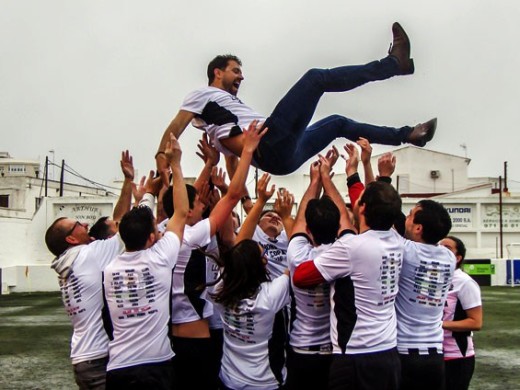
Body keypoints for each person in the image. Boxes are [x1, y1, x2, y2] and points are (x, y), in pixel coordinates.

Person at [157, 22, 437, 176]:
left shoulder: (224, 122)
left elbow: (234, 161)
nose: (241, 77)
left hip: (281, 160)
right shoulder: (201, 95)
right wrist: (162, 159)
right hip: (269, 142)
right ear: (217, 73)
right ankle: (393, 65)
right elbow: (176, 126)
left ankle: (408, 135)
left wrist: (239, 190)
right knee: (316, 78)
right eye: (235, 71)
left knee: (338, 123)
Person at [293, 178, 404, 390]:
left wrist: (324, 254)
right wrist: (347, 176)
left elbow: (301, 277)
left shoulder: (351, 247)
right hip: (388, 351)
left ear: (363, 208)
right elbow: (359, 208)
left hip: (356, 354)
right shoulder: (396, 239)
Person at [102, 134, 188, 389]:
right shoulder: (160, 258)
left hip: (118, 367)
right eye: (157, 230)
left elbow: (120, 221)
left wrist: (141, 194)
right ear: (151, 238)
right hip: (155, 366)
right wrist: (176, 165)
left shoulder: (110, 267)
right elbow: (181, 212)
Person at [45, 151, 134, 390]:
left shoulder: (68, 262)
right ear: (71, 240)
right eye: (77, 225)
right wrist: (129, 183)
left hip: (82, 356)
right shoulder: (86, 256)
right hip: (98, 358)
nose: (85, 224)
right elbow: (119, 223)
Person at [212, 173, 290, 390]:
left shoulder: (222, 287)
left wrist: (262, 202)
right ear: (258, 265)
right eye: (262, 255)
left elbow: (239, 249)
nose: (266, 258)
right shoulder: (270, 295)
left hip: (229, 378)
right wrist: (288, 217)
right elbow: (298, 259)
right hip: (264, 383)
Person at [285, 151, 346, 389]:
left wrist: (314, 181)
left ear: (308, 230)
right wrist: (326, 178)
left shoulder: (297, 254)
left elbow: (300, 217)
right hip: (334, 348)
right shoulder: (344, 253)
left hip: (302, 348)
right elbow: (346, 223)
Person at [396, 200, 456, 390]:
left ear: (418, 228)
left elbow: (380, 217)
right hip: (435, 354)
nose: (406, 218)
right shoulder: (449, 257)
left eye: (410, 214)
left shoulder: (406, 251)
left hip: (404, 351)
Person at [440, 236, 483, 390]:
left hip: (456, 355)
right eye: (439, 245)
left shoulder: (465, 283)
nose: (441, 249)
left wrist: (439, 325)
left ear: (458, 258)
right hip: (432, 354)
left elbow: (475, 322)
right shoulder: (432, 278)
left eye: (447, 247)